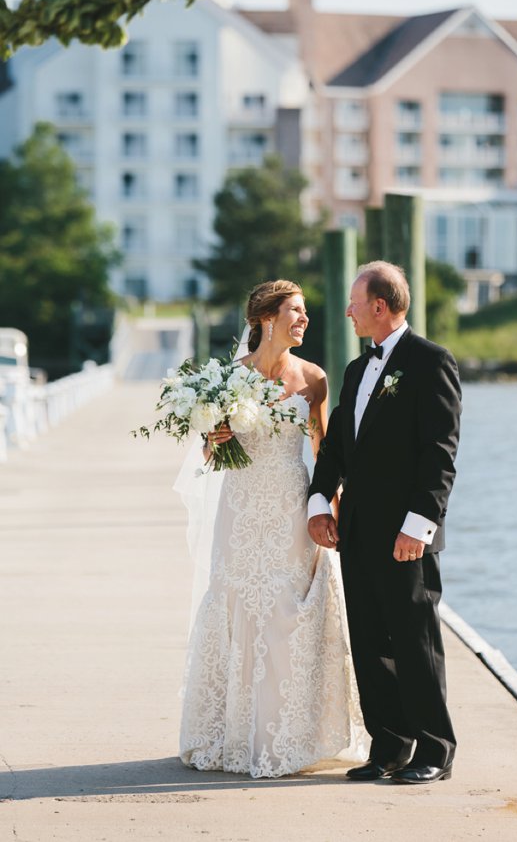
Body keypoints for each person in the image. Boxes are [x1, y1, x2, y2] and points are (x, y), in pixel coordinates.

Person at [178, 280, 364, 778]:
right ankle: (238, 734)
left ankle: (293, 734)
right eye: (295, 311)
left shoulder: (315, 378)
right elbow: (210, 454)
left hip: (291, 506)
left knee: (289, 609)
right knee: (239, 604)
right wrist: (214, 439)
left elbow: (323, 448)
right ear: (265, 318)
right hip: (240, 509)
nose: (304, 320)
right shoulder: (226, 378)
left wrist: (330, 505)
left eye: (305, 312)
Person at [307, 261, 462, 785]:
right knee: (370, 641)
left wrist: (417, 528)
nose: (347, 311)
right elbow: (335, 449)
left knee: (416, 642)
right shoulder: (355, 369)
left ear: (379, 305)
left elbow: (439, 454)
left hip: (407, 535)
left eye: (355, 302)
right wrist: (318, 501)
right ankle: (390, 746)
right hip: (355, 530)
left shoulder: (431, 362)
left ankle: (435, 750)